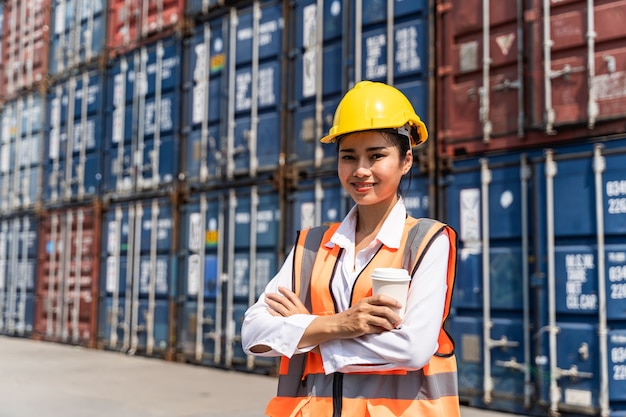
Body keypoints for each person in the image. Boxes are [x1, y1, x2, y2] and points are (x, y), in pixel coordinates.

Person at [241, 80, 460, 417]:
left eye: (376, 155)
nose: (360, 170)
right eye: (348, 157)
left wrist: (305, 329)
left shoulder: (428, 241)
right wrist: (340, 324)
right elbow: (253, 333)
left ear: (406, 161)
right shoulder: (311, 245)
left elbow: (413, 348)